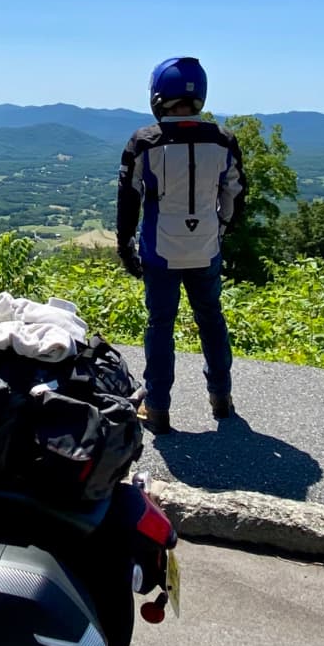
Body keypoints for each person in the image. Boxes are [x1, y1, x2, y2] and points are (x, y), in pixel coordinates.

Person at [115, 57, 244, 434]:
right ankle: (221, 399)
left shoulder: (144, 141)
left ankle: (156, 408)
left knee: (160, 325)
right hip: (205, 247)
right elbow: (235, 192)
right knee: (211, 320)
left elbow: (129, 199)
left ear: (157, 95)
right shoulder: (222, 140)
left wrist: (125, 246)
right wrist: (220, 228)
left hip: (160, 251)